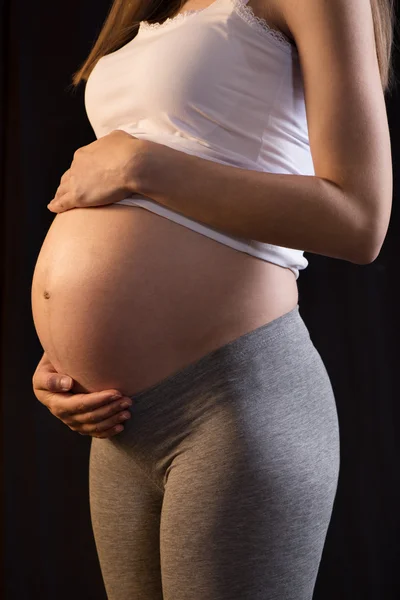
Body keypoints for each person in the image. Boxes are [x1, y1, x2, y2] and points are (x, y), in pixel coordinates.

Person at [32, 0, 394, 598]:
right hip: (117, 420)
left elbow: (360, 221)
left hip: (232, 403)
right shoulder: (154, 8)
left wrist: (142, 165)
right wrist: (66, 355)